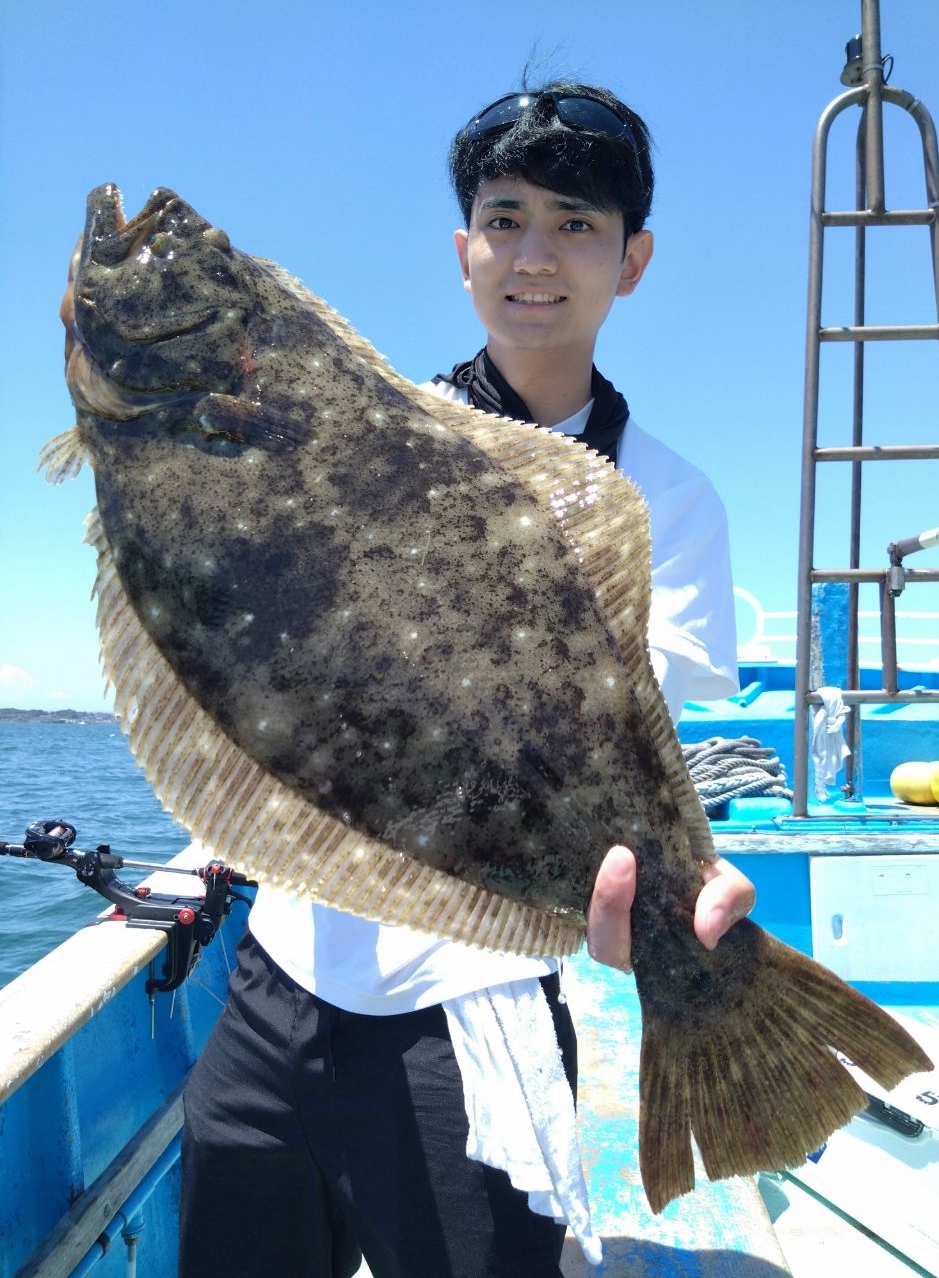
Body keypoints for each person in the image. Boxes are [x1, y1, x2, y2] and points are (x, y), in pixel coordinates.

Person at [179, 82, 754, 1278]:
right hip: (279, 973)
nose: (533, 255)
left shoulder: (672, 501)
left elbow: (619, 743)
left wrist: (667, 879)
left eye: (576, 222)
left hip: (476, 1011)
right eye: (503, 217)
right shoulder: (366, 431)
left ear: (632, 260)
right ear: (462, 250)